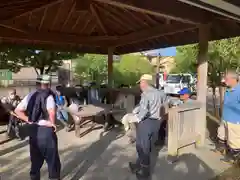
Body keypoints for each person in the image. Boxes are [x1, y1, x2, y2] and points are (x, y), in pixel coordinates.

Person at [15, 75, 61, 180]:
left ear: (37, 84)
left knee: (35, 162)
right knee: (52, 161)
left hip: (33, 131)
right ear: (48, 84)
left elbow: (17, 111)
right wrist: (52, 123)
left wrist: (31, 120)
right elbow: (51, 112)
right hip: (47, 133)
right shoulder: (49, 96)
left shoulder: (30, 95)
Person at [128, 74, 167, 178]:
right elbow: (167, 103)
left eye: (140, 82)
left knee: (142, 147)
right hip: (156, 123)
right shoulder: (160, 93)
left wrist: (136, 118)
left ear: (145, 82)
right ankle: (137, 165)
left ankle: (145, 174)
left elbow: (144, 110)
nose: (140, 85)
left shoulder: (146, 94)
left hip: (146, 122)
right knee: (146, 145)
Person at [214, 71, 240, 164]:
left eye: (226, 79)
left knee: (234, 140)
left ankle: (233, 157)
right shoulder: (228, 89)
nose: (224, 80)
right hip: (225, 118)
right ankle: (222, 149)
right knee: (222, 134)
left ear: (233, 79)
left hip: (235, 120)